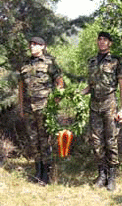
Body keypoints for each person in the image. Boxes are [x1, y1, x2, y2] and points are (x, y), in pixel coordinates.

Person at [81, 32, 122, 191]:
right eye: (99, 39)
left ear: (110, 43)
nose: (101, 42)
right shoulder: (91, 62)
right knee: (96, 141)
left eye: (105, 40)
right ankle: (102, 174)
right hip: (94, 106)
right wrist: (79, 93)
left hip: (110, 105)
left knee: (111, 140)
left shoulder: (116, 61)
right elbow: (90, 86)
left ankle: (112, 177)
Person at [20, 37, 63, 185]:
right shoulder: (25, 64)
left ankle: (47, 173)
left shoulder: (50, 63)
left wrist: (55, 102)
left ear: (43, 47)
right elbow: (21, 87)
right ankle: (38, 171)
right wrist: (21, 107)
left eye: (35, 44)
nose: (32, 46)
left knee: (45, 141)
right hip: (28, 108)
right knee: (33, 141)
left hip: (44, 107)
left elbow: (60, 83)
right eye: (31, 44)